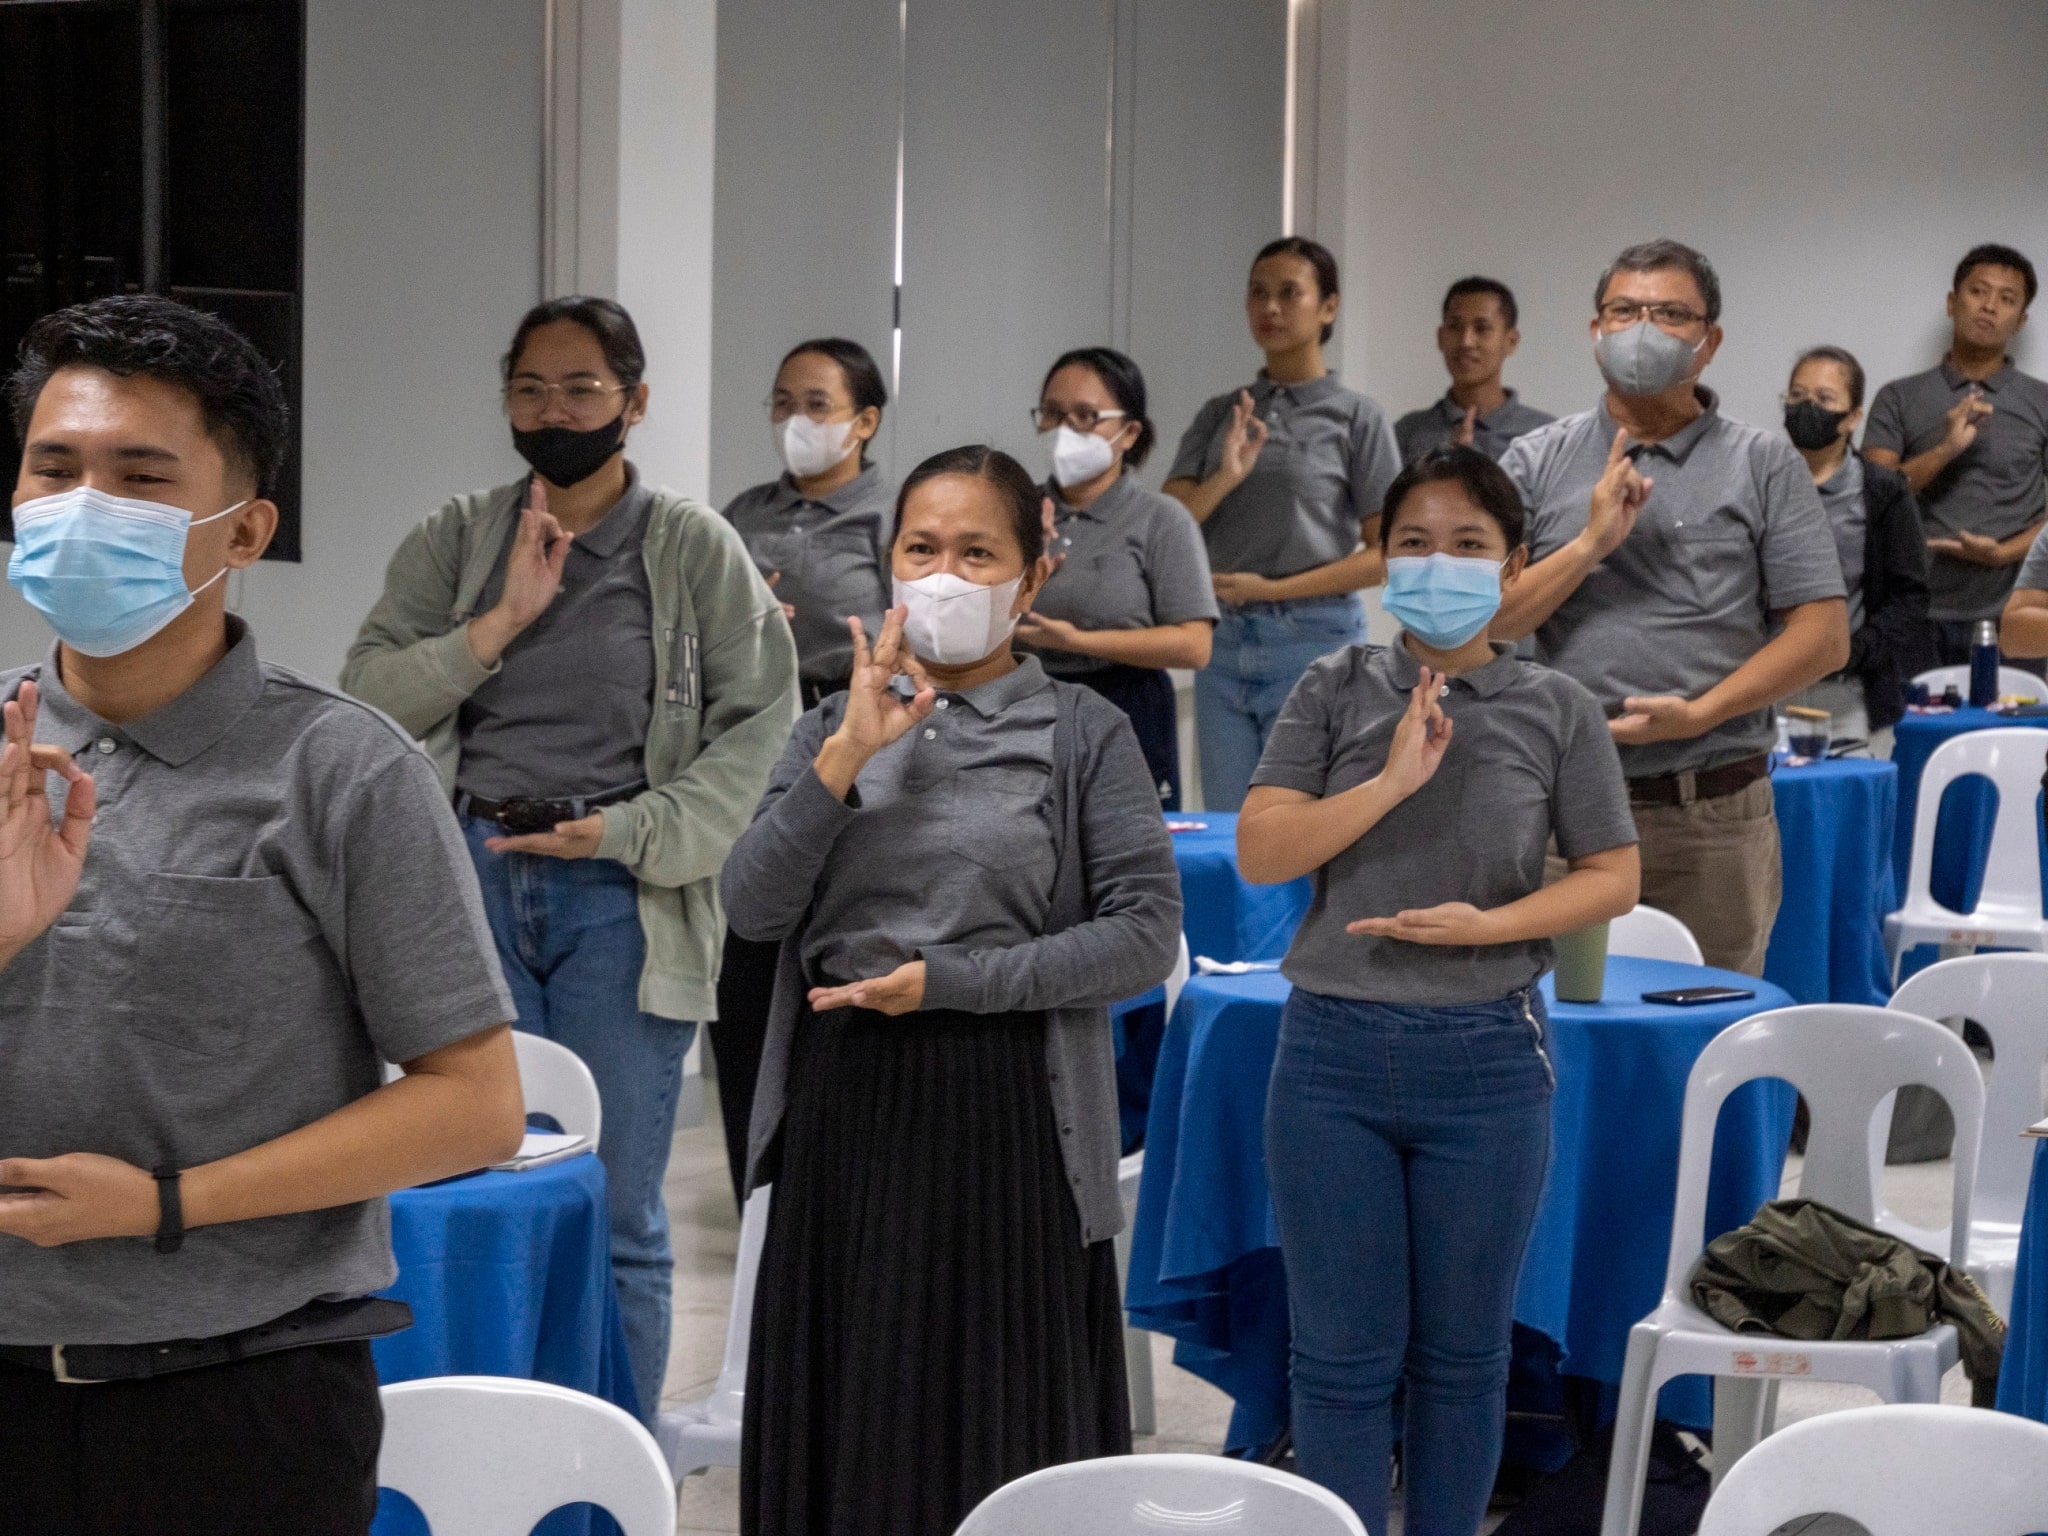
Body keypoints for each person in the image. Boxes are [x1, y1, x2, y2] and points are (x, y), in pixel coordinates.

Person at [0, 294, 523, 1536]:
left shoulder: (341, 769)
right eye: (53, 468)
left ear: (244, 529)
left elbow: (475, 1102)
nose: (83, 508)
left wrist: (168, 1204)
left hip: (238, 1403)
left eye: (138, 478)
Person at [342, 295, 798, 1423]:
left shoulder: (689, 546)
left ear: (633, 403)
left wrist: (630, 831)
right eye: (530, 388)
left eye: (581, 388)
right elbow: (368, 697)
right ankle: (485, 1430)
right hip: (470, 881)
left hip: (623, 897)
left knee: (616, 1207)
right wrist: (495, 623)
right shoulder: (459, 535)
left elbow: (761, 720)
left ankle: (614, 1462)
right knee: (474, 1184)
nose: (553, 410)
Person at [720, 445, 1182, 1536]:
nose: (944, 575)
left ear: (1031, 577)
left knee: (992, 1418)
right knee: (852, 1405)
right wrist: (842, 759)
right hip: (847, 1100)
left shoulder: (1082, 734)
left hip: (1008, 1104)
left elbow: (1140, 936)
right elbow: (750, 907)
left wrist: (956, 984)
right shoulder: (827, 724)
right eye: (921, 549)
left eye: (978, 553)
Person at [1239, 446, 1640, 1536]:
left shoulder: (1554, 707)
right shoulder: (1332, 685)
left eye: (1467, 545)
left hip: (1487, 1063)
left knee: (1462, 1361)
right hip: (1328, 1059)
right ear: (1378, 559)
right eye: (1412, 542)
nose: (1436, 563)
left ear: (1512, 565)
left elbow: (1615, 876)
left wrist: (1491, 925)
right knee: (1337, 1362)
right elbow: (1264, 850)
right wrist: (1386, 782)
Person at [1495, 239, 1848, 976]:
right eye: (1624, 311)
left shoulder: (1763, 462)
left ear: (1709, 340)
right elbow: (1490, 622)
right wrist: (1589, 544)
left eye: (1670, 313)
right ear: (1595, 331)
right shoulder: (1535, 461)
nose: (1642, 329)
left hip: (1712, 810)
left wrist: (1702, 713)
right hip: (1566, 813)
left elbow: (1822, 636)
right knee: (1555, 1034)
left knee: (1708, 1037)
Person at [711, 336, 892, 1207]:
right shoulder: (742, 511)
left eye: (817, 404)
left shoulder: (891, 513)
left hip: (850, 731)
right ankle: (758, 1185)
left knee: (838, 951)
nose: (796, 421)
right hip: (749, 735)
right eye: (783, 402)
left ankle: (844, 1179)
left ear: (865, 420)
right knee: (749, 948)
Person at [1164, 236, 1402, 811]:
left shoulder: (1356, 416)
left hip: (1313, 639)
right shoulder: (1221, 412)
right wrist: (1225, 474)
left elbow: (1386, 553)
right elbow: (1169, 527)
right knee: (1231, 825)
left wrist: (1275, 589)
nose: (1270, 308)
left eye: (1289, 294)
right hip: (1221, 641)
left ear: (1327, 308)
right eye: (1258, 294)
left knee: (1306, 822)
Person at [1015, 346, 1217, 808]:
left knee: (1129, 855)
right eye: (1052, 414)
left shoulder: (1161, 519)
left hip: (1128, 704)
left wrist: (1077, 641)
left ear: (1129, 433)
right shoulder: (1017, 510)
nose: (1065, 430)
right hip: (1027, 702)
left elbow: (1194, 645)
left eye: (1086, 416)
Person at [1864, 245, 2048, 671]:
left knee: (2015, 737)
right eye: (1978, 291)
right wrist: (1946, 449)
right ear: (1952, 302)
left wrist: (2003, 553)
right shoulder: (1899, 397)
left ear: (2019, 321)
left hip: (2014, 616)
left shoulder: (2042, 401)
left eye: (2007, 299)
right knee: (1914, 736)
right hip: (1913, 613)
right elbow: (1870, 497)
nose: (1989, 306)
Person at [1779, 345, 1935, 744]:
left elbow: (1909, 600)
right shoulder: (1760, 483)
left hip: (1852, 696)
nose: (1807, 407)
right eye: (1797, 396)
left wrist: (1853, 651)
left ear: (1852, 418)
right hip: (1764, 693)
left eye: (1824, 399)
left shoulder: (1881, 491)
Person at [1394, 277, 1554, 464]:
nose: (1466, 341)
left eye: (1482, 328)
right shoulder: (1409, 433)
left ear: (1511, 341)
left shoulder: (1544, 435)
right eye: (1455, 327)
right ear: (1440, 337)